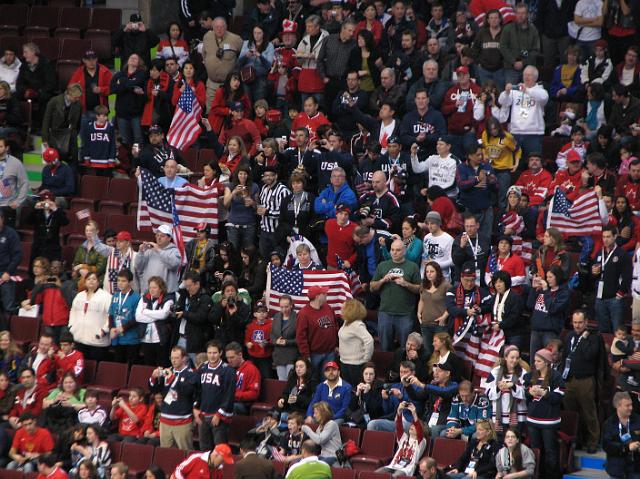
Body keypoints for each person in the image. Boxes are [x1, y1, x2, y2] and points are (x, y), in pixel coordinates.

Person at [370, 238, 421, 352]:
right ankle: (388, 369)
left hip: (405, 313)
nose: (394, 252)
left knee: (406, 348)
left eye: (398, 250)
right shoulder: (382, 265)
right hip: (385, 312)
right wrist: (382, 280)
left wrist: (406, 284)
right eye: (392, 250)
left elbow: (419, 289)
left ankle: (404, 369)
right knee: (385, 347)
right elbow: (372, 287)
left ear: (404, 251)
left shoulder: (412, 266)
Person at [562, 309, 601, 453]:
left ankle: (592, 441)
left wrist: (583, 339)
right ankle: (575, 440)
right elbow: (565, 356)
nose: (577, 326)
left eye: (580, 323)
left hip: (585, 380)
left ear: (586, 322)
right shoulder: (569, 336)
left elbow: (590, 355)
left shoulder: (593, 337)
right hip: (569, 380)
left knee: (588, 412)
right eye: (575, 322)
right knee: (571, 412)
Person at [524, 348, 565, 479]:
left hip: (549, 421)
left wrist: (545, 393)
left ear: (547, 362)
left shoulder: (556, 377)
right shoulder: (530, 376)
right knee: (536, 450)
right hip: (532, 420)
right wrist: (529, 393)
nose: (535, 363)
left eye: (539, 361)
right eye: (535, 360)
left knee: (550, 451)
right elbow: (524, 393)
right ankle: (537, 475)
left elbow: (559, 397)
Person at [149, 346, 197, 450]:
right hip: (165, 420)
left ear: (184, 358)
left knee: (185, 453)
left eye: (176, 358)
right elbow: (154, 390)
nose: (173, 361)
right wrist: (153, 377)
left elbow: (189, 391)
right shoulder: (167, 371)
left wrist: (173, 379)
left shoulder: (191, 374)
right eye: (172, 358)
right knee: (166, 455)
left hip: (182, 421)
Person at [498, 66, 548, 159]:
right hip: (515, 133)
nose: (526, 77)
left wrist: (527, 91)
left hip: (534, 134)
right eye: (525, 75)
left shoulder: (540, 90)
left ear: (535, 77)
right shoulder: (516, 90)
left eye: (529, 75)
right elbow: (502, 101)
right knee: (516, 164)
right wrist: (507, 92)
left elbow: (544, 98)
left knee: (534, 164)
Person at [194, 340, 236, 450]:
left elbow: (229, 395)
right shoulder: (202, 368)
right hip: (203, 415)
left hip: (219, 416)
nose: (212, 356)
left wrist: (219, 414)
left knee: (220, 449)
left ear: (220, 353)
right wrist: (195, 408)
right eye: (209, 353)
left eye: (214, 353)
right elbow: (196, 390)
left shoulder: (228, 371)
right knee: (204, 448)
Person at [592, 225, 632, 333]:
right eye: (603, 237)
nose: (605, 239)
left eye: (608, 236)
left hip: (615, 299)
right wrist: (594, 272)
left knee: (617, 330)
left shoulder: (622, 254)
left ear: (615, 237)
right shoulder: (600, 253)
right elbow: (597, 272)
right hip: (600, 297)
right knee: (603, 331)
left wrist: (620, 293)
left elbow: (627, 276)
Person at [484, 345, 528, 435]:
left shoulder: (523, 373)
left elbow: (527, 393)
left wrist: (512, 385)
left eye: (517, 358)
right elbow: (487, 392)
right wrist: (498, 388)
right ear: (505, 357)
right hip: (499, 415)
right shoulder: (495, 372)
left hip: (518, 416)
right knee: (500, 443)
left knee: (515, 443)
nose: (515, 360)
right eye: (512, 357)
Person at [68, 272, 112, 361]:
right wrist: (71, 326)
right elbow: (73, 312)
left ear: (98, 282)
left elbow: (111, 315)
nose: (91, 281)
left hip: (97, 341)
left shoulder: (106, 297)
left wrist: (104, 330)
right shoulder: (79, 296)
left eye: (94, 279)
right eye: (88, 279)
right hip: (79, 338)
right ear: (85, 282)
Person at [202, 17, 243, 109]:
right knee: (211, 111)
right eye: (217, 27)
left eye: (222, 27)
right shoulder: (207, 37)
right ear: (212, 27)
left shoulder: (236, 39)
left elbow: (243, 55)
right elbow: (204, 54)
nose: (219, 29)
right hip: (212, 83)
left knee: (228, 112)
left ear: (226, 27)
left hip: (229, 86)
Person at [173, 271, 213, 363]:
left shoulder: (205, 298)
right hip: (181, 337)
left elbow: (200, 317)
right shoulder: (184, 296)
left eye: (189, 286)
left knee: (198, 366)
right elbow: (178, 309)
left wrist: (184, 313)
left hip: (195, 341)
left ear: (197, 284)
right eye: (186, 286)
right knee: (180, 366)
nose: (187, 288)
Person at [109, 53, 147, 149]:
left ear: (139, 63)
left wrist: (121, 82)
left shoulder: (141, 75)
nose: (133, 59)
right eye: (131, 58)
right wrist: (132, 88)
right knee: (124, 141)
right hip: (121, 113)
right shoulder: (119, 74)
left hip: (136, 113)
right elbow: (112, 89)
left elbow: (137, 83)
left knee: (138, 140)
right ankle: (126, 161)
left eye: (136, 58)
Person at [136, 276, 174, 366]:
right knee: (148, 365)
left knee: (162, 364)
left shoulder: (168, 299)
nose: (151, 290)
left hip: (160, 339)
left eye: (154, 287)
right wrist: (157, 315)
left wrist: (145, 311)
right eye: (150, 287)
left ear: (161, 288)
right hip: (146, 339)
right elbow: (138, 317)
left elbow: (164, 314)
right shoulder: (144, 298)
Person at [499, 4, 540, 85]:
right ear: (515, 14)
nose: (520, 16)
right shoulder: (508, 28)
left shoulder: (533, 30)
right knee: (511, 93)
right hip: (511, 68)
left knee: (529, 94)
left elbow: (536, 50)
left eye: (523, 13)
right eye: (518, 13)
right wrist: (514, 62)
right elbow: (503, 47)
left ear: (527, 14)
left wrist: (523, 62)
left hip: (528, 68)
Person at [16, 42, 56, 125]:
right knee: (14, 96)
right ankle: (18, 124)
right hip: (27, 92)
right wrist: (25, 91)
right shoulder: (23, 66)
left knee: (45, 98)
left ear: (33, 52)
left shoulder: (46, 64)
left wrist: (37, 92)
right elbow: (19, 84)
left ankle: (42, 126)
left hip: (41, 92)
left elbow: (51, 84)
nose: (23, 55)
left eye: (25, 52)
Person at [135, 224, 182, 295]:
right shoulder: (149, 251)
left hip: (166, 293)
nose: (159, 238)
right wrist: (141, 252)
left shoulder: (174, 251)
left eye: (162, 236)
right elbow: (138, 268)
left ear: (169, 238)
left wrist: (159, 250)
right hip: (148, 293)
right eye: (157, 235)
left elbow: (173, 264)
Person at [603, 391, 640, 479]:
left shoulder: (638, 420)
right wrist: (627, 448)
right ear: (618, 406)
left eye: (631, 405)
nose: (631, 408)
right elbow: (607, 446)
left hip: (636, 468)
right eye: (627, 405)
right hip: (616, 469)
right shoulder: (609, 424)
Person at [338, 298, 374, 387]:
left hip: (355, 365)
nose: (341, 310)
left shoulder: (357, 325)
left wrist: (366, 359)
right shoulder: (346, 322)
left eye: (343, 308)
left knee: (355, 388)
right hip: (344, 362)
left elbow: (369, 341)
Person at [69, 50, 112, 117]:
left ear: (97, 59)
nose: (91, 62)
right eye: (88, 59)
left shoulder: (105, 71)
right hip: (83, 111)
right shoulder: (79, 72)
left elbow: (113, 88)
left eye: (93, 59)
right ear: (84, 60)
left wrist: (101, 90)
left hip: (101, 113)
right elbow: (71, 88)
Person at [301, 401, 341, 466]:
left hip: (332, 457)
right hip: (323, 456)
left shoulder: (331, 424)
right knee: (302, 462)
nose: (314, 415)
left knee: (312, 465)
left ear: (323, 413)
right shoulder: (320, 426)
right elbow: (315, 440)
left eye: (316, 413)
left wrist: (306, 429)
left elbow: (319, 440)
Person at [422, 211, 455, 283]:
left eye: (432, 223)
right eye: (428, 223)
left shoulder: (448, 239)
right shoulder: (426, 237)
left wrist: (436, 264)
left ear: (439, 223)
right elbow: (425, 257)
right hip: (428, 279)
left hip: (443, 279)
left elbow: (452, 261)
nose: (429, 226)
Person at [271, 295, 298, 380]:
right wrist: (276, 341)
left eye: (286, 306)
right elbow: (272, 334)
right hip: (279, 356)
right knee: (281, 381)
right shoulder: (276, 316)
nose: (284, 309)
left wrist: (287, 342)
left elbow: (300, 338)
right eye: (281, 307)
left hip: (291, 355)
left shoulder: (297, 317)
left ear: (291, 305)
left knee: (291, 380)